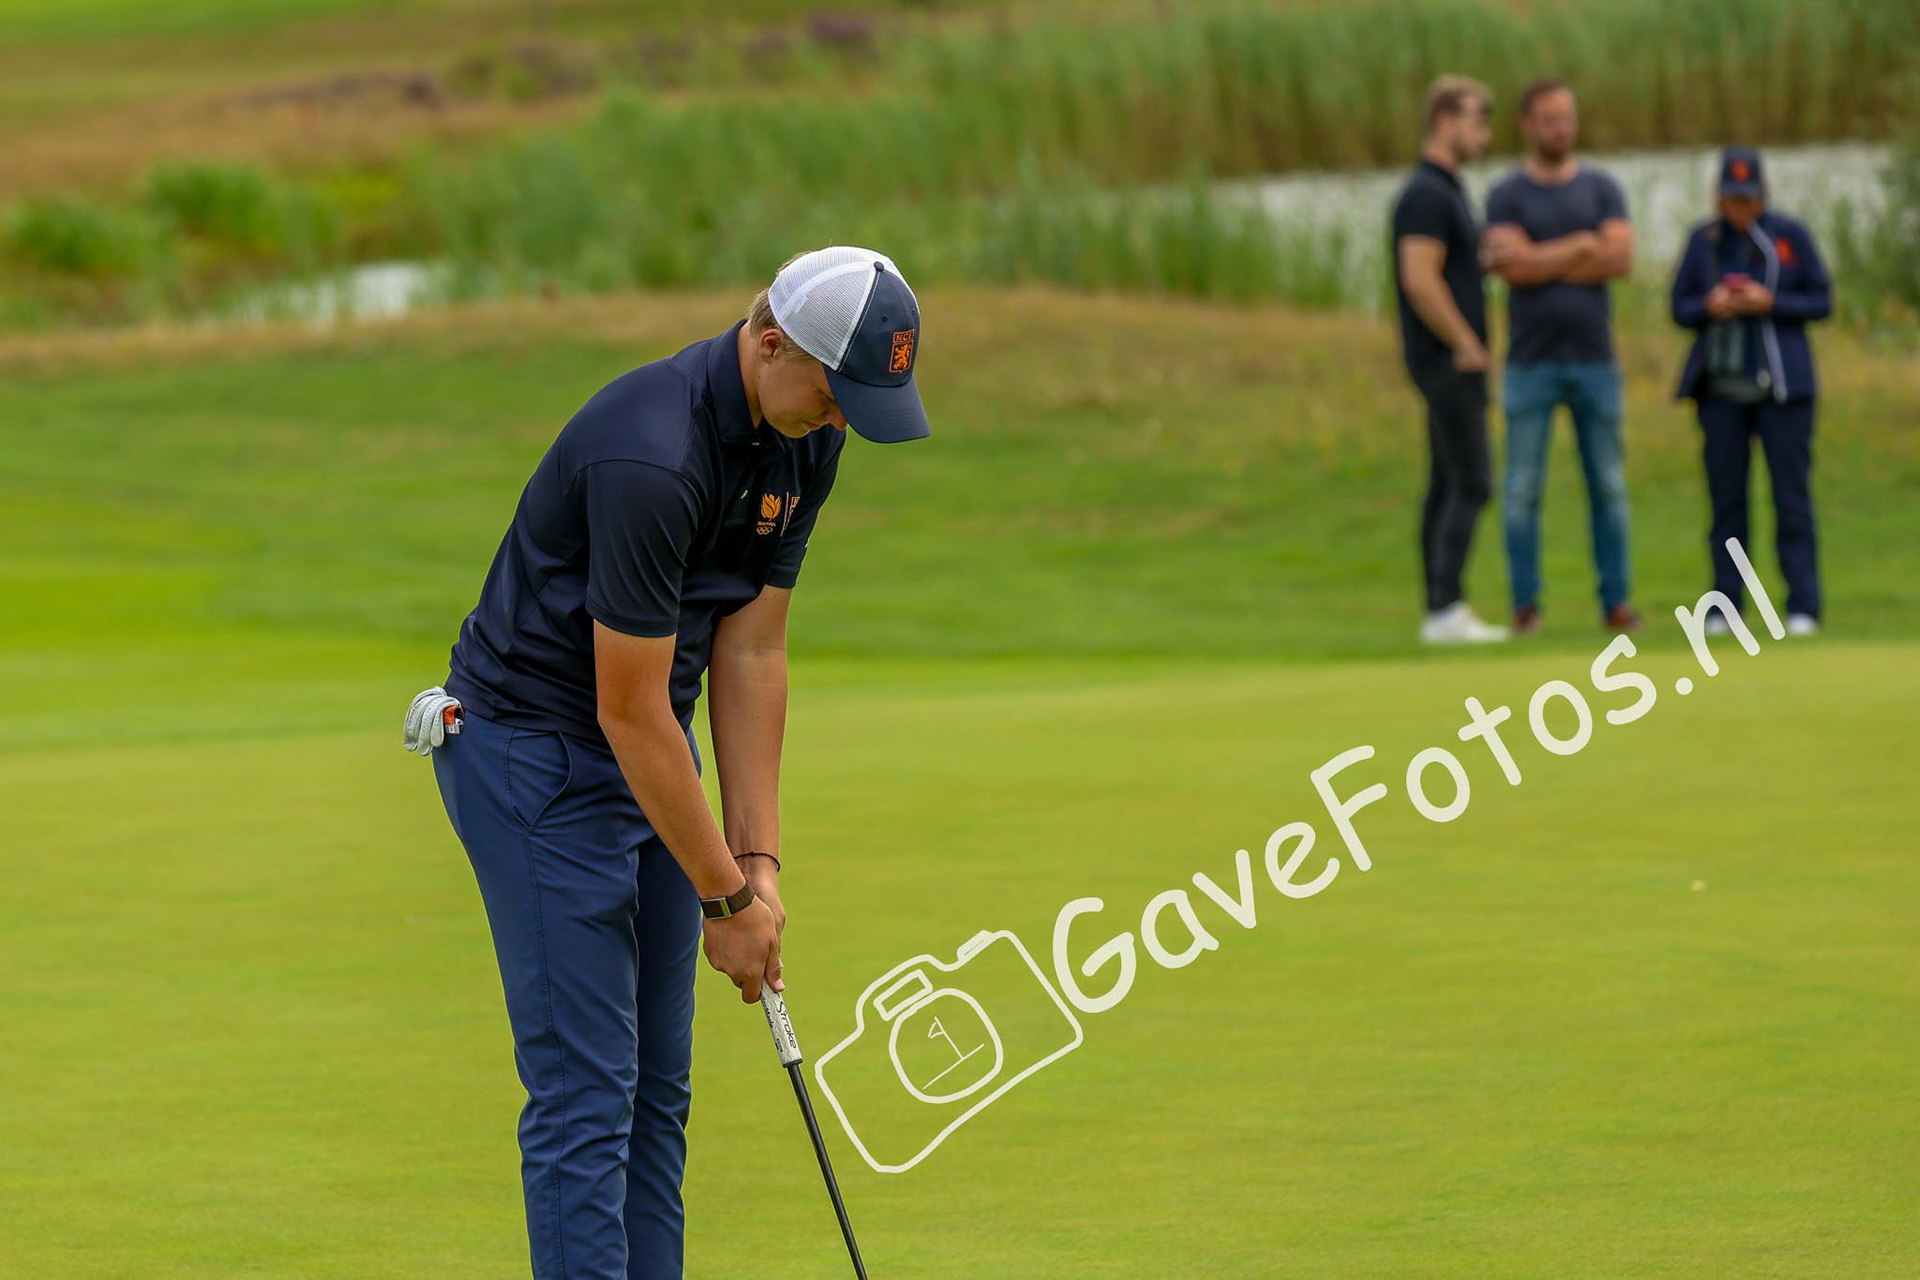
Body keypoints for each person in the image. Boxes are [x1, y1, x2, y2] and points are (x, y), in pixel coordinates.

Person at [402, 246, 931, 1278]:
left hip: (643, 750)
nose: (840, 419)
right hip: (532, 754)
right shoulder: (649, 452)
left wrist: (758, 860)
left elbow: (752, 646)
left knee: (654, 1090)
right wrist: (726, 905)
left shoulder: (806, 437)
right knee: (585, 1094)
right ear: (769, 341)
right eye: (833, 391)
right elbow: (630, 706)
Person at [1484, 77, 1639, 634]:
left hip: (1594, 360)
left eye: (1568, 117)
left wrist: (1542, 255)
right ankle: (1526, 607)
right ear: (1527, 124)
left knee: (1610, 487)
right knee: (1522, 490)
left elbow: (1619, 259)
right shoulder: (1506, 194)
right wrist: (1578, 245)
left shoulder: (1601, 188)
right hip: (1530, 363)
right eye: (1550, 119)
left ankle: (1616, 603)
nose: (1562, 128)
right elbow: (1513, 270)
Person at [1670, 147, 1831, 636]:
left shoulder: (1789, 237)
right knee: (1727, 504)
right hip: (1721, 390)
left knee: (1791, 500)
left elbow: (1821, 300)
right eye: (1732, 198)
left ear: (1763, 195)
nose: (1741, 208)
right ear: (1719, 197)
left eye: (1749, 198)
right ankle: (1725, 607)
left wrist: (1769, 302)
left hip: (1782, 390)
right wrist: (1712, 304)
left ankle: (1803, 606)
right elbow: (1680, 308)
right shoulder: (1704, 242)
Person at [1391, 74, 1509, 644]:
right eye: (1476, 118)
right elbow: (1418, 278)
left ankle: (1442, 607)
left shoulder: (1448, 190)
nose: (1484, 130)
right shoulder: (1427, 194)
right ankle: (1445, 608)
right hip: (1446, 360)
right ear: (1444, 120)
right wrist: (1465, 341)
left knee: (1446, 480)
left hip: (1450, 358)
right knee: (1472, 480)